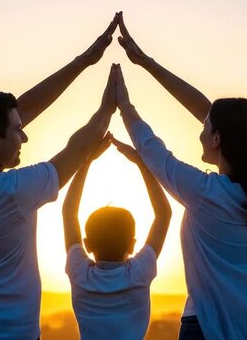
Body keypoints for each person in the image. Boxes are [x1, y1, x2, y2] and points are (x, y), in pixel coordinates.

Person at [0, 14, 119, 340]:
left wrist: (83, 62)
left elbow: (14, 114)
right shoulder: (12, 192)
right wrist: (109, 108)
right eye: (18, 132)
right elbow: (76, 149)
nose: (24, 137)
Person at [114, 12, 247, 340]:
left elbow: (153, 150)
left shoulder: (205, 192)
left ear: (217, 139)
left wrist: (124, 105)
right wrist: (147, 63)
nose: (201, 131)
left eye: (205, 128)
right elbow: (212, 113)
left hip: (207, 326)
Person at [62, 129, 171, 340]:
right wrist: (142, 165)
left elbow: (68, 211)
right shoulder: (139, 272)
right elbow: (164, 215)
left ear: (87, 243)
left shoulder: (80, 272)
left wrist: (86, 163)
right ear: (132, 244)